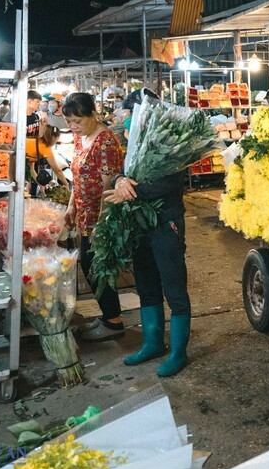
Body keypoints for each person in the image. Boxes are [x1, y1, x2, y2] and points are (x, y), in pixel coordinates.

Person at [106, 88, 192, 377]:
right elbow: (120, 171)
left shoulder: (169, 140)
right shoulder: (133, 142)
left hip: (166, 222)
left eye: (129, 115)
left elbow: (170, 182)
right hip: (140, 222)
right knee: (145, 283)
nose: (125, 121)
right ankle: (152, 343)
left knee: (174, 286)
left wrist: (132, 191)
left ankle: (179, 352)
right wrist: (119, 180)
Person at [62, 92, 126, 341]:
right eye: (69, 122)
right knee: (89, 266)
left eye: (78, 121)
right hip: (83, 214)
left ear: (92, 114)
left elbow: (108, 185)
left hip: (100, 217)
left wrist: (102, 223)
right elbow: (76, 177)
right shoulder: (81, 139)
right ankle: (107, 316)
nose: (73, 127)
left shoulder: (106, 141)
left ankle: (113, 321)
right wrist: (71, 207)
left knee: (98, 267)